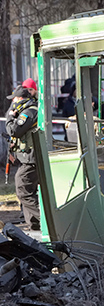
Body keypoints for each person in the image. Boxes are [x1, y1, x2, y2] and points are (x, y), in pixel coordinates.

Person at [6, 87, 41, 231]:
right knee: (28, 191)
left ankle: (45, 220)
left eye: (14, 99)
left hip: (31, 159)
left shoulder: (30, 112)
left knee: (22, 189)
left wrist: (10, 116)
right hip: (28, 158)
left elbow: (14, 130)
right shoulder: (27, 111)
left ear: (20, 99)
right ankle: (35, 225)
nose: (12, 102)